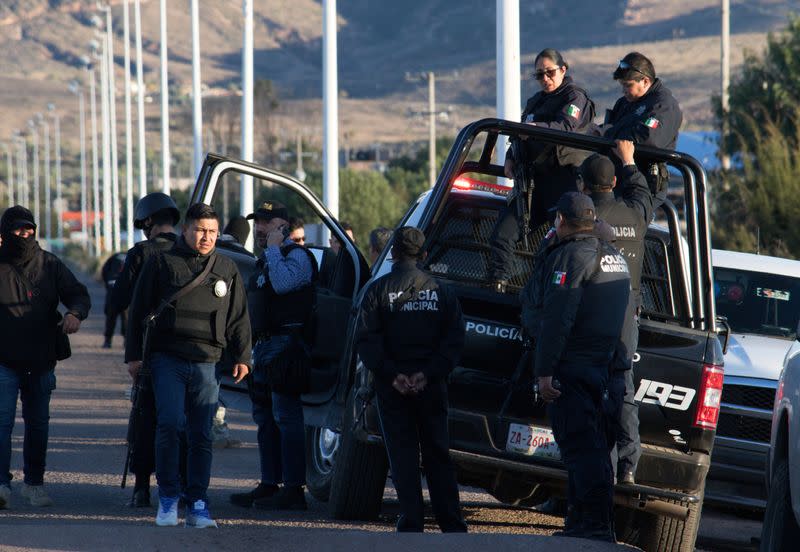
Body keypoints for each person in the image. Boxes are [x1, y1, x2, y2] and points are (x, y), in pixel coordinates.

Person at [125, 203, 251, 528]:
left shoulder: (226, 268)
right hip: (167, 359)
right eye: (200, 230)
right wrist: (134, 357)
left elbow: (238, 317)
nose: (206, 237)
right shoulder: (161, 263)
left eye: (211, 231)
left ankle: (197, 503)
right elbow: (138, 310)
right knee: (168, 424)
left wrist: (242, 356)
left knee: (201, 435)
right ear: (186, 230)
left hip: (208, 362)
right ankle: (168, 499)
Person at [524, 193, 631, 541]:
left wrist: (544, 372)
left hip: (575, 367)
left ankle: (594, 526)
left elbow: (558, 319)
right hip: (604, 369)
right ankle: (584, 523)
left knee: (580, 449)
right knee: (595, 449)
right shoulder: (613, 255)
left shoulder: (572, 256)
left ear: (562, 221)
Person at [356, 226, 467, 533]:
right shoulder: (441, 291)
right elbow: (455, 339)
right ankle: (451, 523)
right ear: (425, 255)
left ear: (392, 254)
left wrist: (393, 376)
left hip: (392, 388)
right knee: (437, 452)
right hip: (431, 386)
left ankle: (412, 520)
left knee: (403, 454)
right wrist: (428, 374)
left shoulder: (377, 290)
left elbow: (366, 339)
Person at [0, 206, 91, 510]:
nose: (24, 235)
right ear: (4, 233)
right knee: (1, 424)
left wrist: (75, 314)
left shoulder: (50, 264)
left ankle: (34, 485)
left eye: (29, 230)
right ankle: (1, 485)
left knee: (38, 424)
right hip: (3, 360)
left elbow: (77, 293)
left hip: (41, 359)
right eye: (17, 230)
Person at [230, 200, 317, 511]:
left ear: (284, 226)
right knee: (265, 420)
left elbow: (282, 286)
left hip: (288, 347)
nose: (260, 227)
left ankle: (294, 490)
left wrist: (276, 249)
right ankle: (270, 484)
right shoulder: (266, 260)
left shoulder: (298, 257)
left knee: (286, 417)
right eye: (258, 221)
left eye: (267, 222)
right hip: (264, 348)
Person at [488, 48, 596, 292]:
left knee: (557, 244)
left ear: (563, 70)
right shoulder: (535, 101)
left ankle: (553, 291)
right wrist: (510, 158)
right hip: (532, 183)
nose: (545, 79)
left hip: (562, 179)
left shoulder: (575, 97)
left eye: (550, 72)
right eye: (539, 75)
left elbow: (566, 126)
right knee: (502, 234)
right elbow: (520, 134)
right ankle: (498, 284)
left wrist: (536, 128)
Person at [581, 142, 656, 485]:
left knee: (587, 385)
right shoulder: (636, 216)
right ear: (612, 184)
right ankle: (628, 463)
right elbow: (642, 191)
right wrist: (628, 161)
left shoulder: (582, 219)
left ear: (583, 186)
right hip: (627, 308)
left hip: (591, 308)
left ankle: (599, 463)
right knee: (622, 384)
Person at [109, 191, 180, 508]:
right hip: (188, 349)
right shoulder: (191, 251)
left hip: (149, 350)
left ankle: (141, 488)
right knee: (183, 420)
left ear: (148, 222)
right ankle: (182, 487)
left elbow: (118, 302)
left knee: (145, 416)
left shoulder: (139, 254)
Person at [598, 52, 683, 198]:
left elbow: (648, 138)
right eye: (622, 85)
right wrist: (599, 131)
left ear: (645, 81)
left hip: (644, 185)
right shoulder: (625, 102)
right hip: (619, 179)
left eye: (628, 85)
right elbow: (612, 128)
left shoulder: (663, 105)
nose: (624, 90)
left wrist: (607, 133)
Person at [101, 252, 128, 348]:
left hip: (112, 292)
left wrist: (108, 285)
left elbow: (104, 271)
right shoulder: (133, 255)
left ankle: (107, 341)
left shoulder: (114, 257)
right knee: (126, 319)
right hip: (127, 294)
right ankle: (126, 341)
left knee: (110, 318)